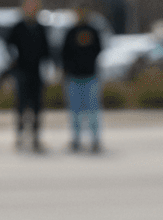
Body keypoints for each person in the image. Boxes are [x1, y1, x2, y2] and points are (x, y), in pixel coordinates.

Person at [5, 0, 50, 152]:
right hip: (21, 71)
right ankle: (19, 135)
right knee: (21, 105)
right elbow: (7, 44)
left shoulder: (41, 28)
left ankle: (36, 137)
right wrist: (12, 61)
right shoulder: (18, 27)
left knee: (37, 106)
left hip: (36, 72)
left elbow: (47, 50)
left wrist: (49, 68)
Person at [61, 5, 103, 152]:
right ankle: (76, 140)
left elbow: (99, 49)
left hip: (90, 76)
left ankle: (95, 140)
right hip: (73, 78)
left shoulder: (93, 31)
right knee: (75, 113)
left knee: (93, 111)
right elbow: (64, 53)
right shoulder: (70, 32)